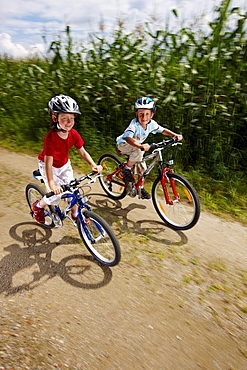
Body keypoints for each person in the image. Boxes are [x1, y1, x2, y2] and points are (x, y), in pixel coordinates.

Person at [32, 94, 102, 224]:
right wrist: (52, 184)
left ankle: (75, 214)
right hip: (48, 166)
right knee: (55, 195)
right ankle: (38, 206)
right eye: (64, 118)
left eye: (72, 118)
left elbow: (82, 152)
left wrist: (93, 165)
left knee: (73, 190)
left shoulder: (74, 134)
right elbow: (48, 162)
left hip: (64, 164)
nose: (69, 122)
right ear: (55, 118)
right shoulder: (50, 137)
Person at [116, 97, 183, 199]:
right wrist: (140, 146)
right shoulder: (134, 124)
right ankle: (126, 169)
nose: (144, 117)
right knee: (139, 151)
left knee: (143, 169)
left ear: (152, 114)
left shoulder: (151, 124)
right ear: (136, 114)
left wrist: (175, 135)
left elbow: (162, 130)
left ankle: (140, 188)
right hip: (124, 144)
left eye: (147, 114)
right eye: (141, 114)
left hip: (137, 148)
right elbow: (128, 138)